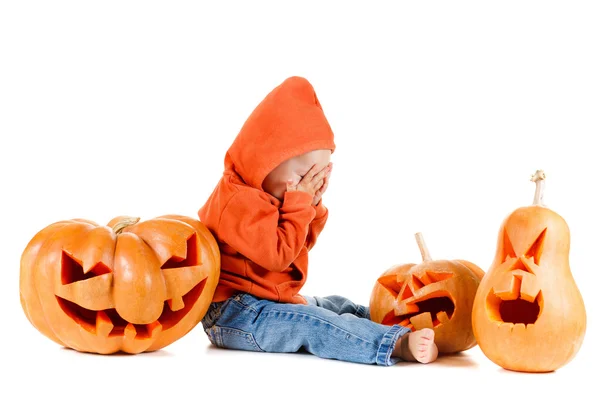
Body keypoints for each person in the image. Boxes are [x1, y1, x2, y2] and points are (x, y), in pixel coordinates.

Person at [197, 76, 438, 365]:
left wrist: (310, 204)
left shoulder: (274, 194)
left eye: (317, 177)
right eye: (302, 177)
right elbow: (279, 257)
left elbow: (300, 246)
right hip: (235, 315)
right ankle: (394, 343)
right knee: (313, 322)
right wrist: (300, 205)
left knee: (336, 305)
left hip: (270, 302)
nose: (307, 185)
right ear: (261, 162)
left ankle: (409, 325)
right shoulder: (236, 201)